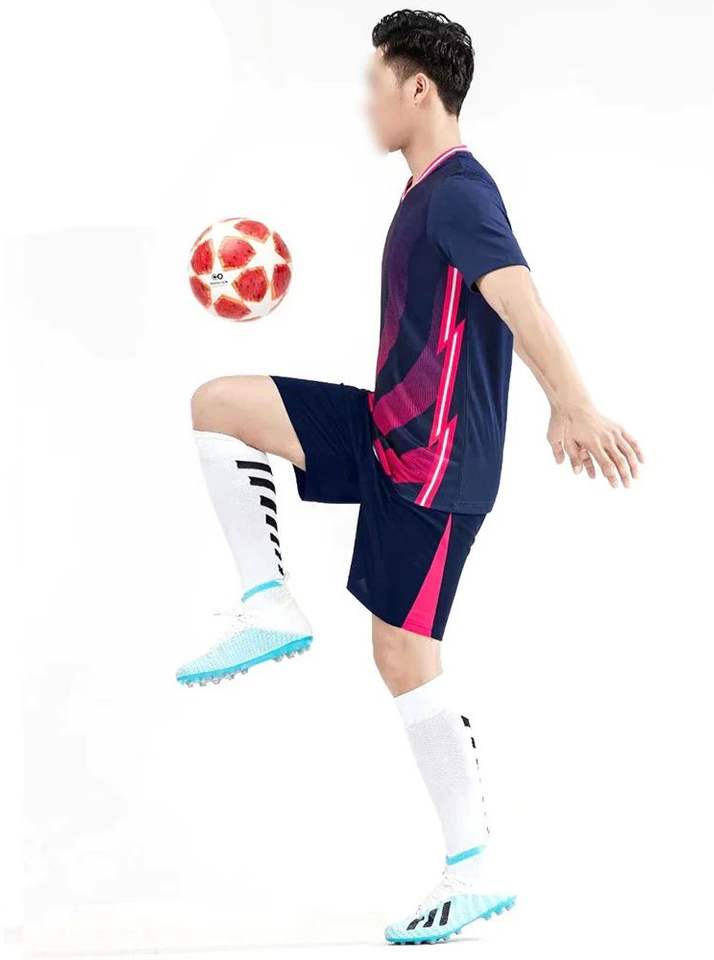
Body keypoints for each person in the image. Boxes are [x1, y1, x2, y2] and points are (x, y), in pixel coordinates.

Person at [179, 9, 643, 945]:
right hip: (384, 428)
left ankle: (472, 869)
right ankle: (269, 600)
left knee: (402, 657)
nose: (366, 100)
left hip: (436, 468)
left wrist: (573, 402)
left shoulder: (460, 193)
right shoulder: (423, 192)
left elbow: (518, 299)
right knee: (219, 403)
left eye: (375, 82)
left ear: (417, 88)